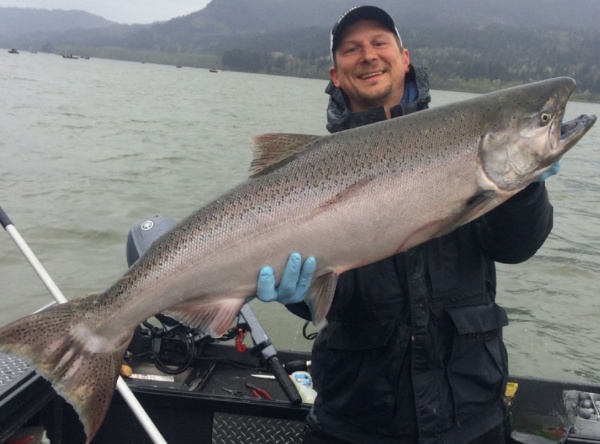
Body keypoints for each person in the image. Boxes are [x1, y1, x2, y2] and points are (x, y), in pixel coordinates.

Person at [256, 6, 556, 444]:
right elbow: (329, 302)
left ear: (404, 57)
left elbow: (515, 246)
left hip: (470, 418)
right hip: (356, 423)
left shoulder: (469, 142)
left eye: (380, 42)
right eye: (352, 48)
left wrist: (524, 187)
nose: (368, 55)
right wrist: (298, 298)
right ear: (335, 73)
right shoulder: (312, 169)